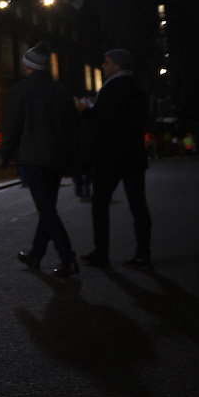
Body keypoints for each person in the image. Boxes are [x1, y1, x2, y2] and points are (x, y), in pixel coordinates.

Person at [1, 41, 79, 277]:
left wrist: (5, 153)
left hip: (33, 157)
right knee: (48, 208)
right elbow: (72, 128)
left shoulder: (21, 89)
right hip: (56, 159)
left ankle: (68, 258)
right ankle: (36, 254)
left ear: (29, 67)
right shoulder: (62, 91)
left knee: (46, 210)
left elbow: (13, 125)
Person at [79, 49, 153, 269]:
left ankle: (101, 252)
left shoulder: (110, 89)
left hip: (109, 157)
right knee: (138, 206)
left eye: (107, 62)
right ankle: (143, 253)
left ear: (118, 66)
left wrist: (85, 110)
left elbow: (102, 124)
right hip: (134, 156)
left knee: (100, 205)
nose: (103, 66)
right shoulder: (138, 90)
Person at [72, 90, 97, 201]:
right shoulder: (89, 112)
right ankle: (85, 186)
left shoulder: (77, 114)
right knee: (86, 167)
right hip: (86, 143)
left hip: (79, 144)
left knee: (79, 167)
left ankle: (80, 187)